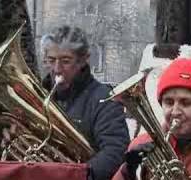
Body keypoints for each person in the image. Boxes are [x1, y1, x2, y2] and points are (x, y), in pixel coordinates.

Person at [40, 25, 130, 180]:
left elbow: (115, 151)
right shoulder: (41, 95)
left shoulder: (104, 99)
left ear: (83, 60)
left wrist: (77, 176)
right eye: (51, 60)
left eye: (65, 61)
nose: (57, 68)